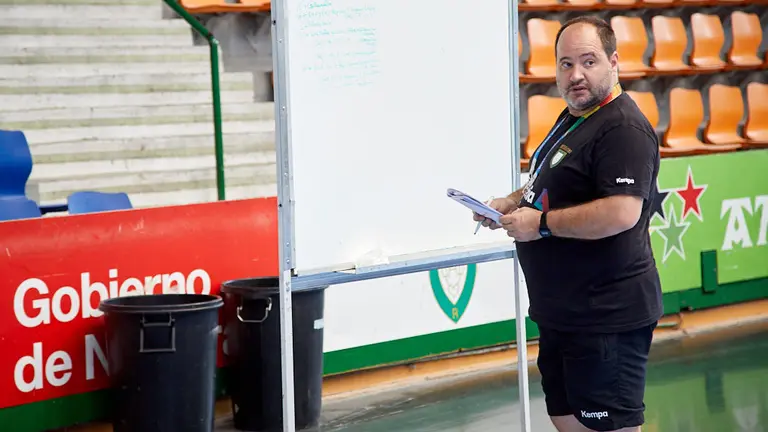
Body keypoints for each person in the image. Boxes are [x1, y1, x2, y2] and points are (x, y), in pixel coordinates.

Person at [474, 16, 663, 432]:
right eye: (565, 64)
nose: (575, 74)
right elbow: (549, 182)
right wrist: (509, 203)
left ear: (614, 62)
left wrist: (539, 224)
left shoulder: (623, 128)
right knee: (566, 419)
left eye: (588, 61)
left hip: (605, 317)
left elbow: (620, 212)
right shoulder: (574, 117)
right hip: (564, 313)